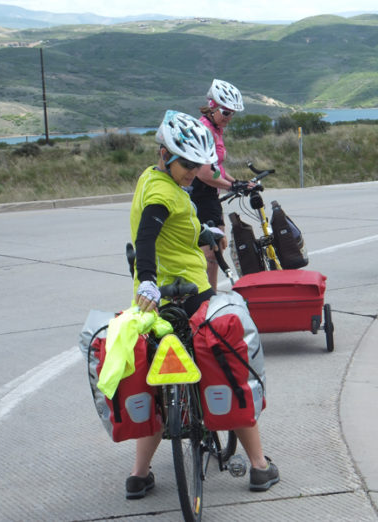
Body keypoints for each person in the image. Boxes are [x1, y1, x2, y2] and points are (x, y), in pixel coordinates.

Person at [126, 110, 279, 499]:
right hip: (186, 294)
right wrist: (148, 277)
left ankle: (139, 475)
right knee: (227, 365)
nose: (194, 171)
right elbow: (147, 238)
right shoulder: (163, 194)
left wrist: (202, 234)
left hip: (154, 302)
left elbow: (170, 233)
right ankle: (259, 466)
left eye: (199, 165)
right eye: (188, 165)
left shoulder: (153, 179)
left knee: (161, 384)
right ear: (165, 154)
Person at [190, 78, 252, 291]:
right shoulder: (205, 130)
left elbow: (216, 168)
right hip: (200, 195)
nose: (230, 117)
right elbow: (205, 173)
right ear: (212, 107)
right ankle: (207, 299)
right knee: (212, 252)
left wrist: (238, 182)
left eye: (233, 113)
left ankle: (210, 296)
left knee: (216, 250)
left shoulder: (215, 129)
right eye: (226, 112)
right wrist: (230, 186)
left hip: (209, 196)